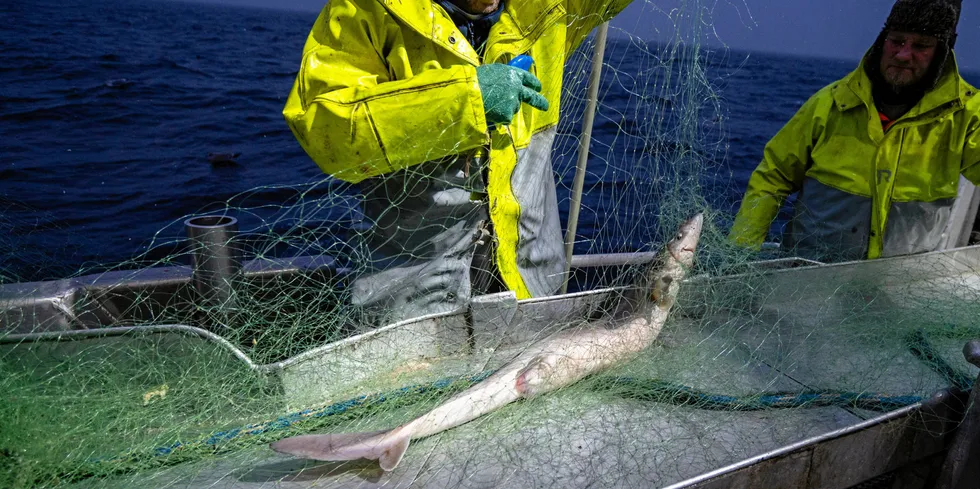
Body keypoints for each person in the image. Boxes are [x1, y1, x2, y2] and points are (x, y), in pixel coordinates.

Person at [283, 0, 632, 325]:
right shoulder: (369, 9)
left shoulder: (547, 6)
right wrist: (466, 102)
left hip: (535, 291)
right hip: (411, 307)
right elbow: (323, 126)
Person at [729, 0, 980, 262]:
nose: (904, 54)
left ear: (942, 52)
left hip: (903, 290)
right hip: (805, 285)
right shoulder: (830, 103)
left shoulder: (969, 115)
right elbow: (773, 176)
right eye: (897, 41)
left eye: (921, 46)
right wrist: (740, 250)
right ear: (883, 40)